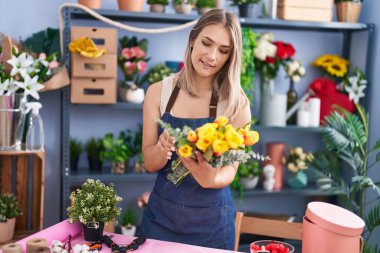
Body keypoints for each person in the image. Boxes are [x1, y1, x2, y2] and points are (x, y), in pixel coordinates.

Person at [138, 8, 251, 250]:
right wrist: (161, 149)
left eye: (223, 50)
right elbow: (149, 162)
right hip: (160, 222)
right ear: (192, 40)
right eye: (206, 43)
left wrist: (212, 178)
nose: (212, 56)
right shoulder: (159, 93)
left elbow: (231, 169)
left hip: (212, 227)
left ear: (231, 56)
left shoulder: (235, 103)